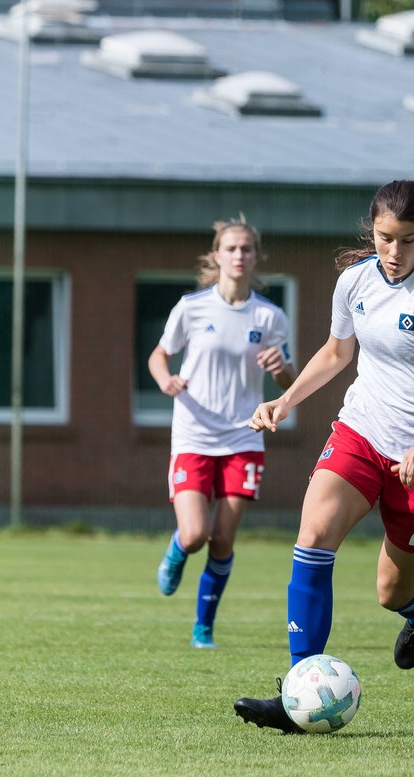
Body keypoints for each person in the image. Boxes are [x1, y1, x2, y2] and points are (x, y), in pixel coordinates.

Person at [234, 179, 414, 733]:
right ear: (370, 231)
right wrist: (284, 400)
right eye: (384, 238)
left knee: (390, 592)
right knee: (313, 537)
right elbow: (336, 352)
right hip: (361, 432)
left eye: (408, 240)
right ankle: (296, 689)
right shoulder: (354, 280)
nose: (394, 253)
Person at [147, 216, 296, 650]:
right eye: (230, 248)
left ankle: (203, 627)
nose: (238, 255)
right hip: (193, 433)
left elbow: (291, 382)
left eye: (246, 249)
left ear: (255, 257)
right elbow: (159, 354)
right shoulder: (192, 308)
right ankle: (176, 551)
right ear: (217, 255)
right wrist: (165, 380)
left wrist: (281, 369)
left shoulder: (270, 317)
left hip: (243, 438)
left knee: (223, 539)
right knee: (194, 535)